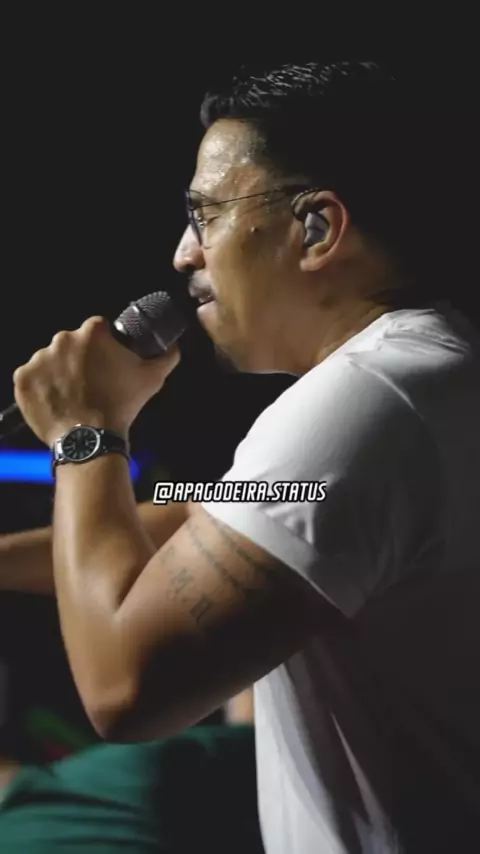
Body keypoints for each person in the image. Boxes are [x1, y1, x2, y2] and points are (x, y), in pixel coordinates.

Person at [2, 60, 480, 853]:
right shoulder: (420, 378)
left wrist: (86, 434)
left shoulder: (367, 400)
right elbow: (205, 517)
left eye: (205, 215)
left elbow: (125, 689)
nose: (183, 255)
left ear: (317, 228)